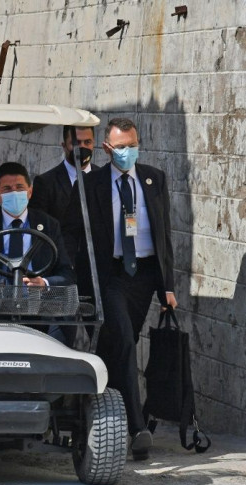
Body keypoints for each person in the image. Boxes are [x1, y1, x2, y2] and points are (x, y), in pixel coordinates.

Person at [61, 117, 178, 462]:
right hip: (108, 275)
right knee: (125, 340)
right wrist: (73, 272)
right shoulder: (90, 183)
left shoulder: (154, 179)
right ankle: (136, 428)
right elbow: (70, 231)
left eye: (132, 145)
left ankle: (101, 413)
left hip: (141, 276)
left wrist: (166, 287)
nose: (127, 152)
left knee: (118, 348)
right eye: (120, 147)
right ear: (108, 148)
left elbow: (164, 235)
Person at [0, 162, 76, 342]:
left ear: (29, 192)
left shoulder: (49, 224)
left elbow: (66, 274)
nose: (14, 193)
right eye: (7, 189)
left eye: (19, 188)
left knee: (65, 317)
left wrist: (44, 283)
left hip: (39, 305)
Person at [29, 125, 100, 223]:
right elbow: (39, 224)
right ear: (64, 146)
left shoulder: (105, 177)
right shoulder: (46, 183)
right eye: (76, 143)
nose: (82, 147)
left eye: (87, 142)